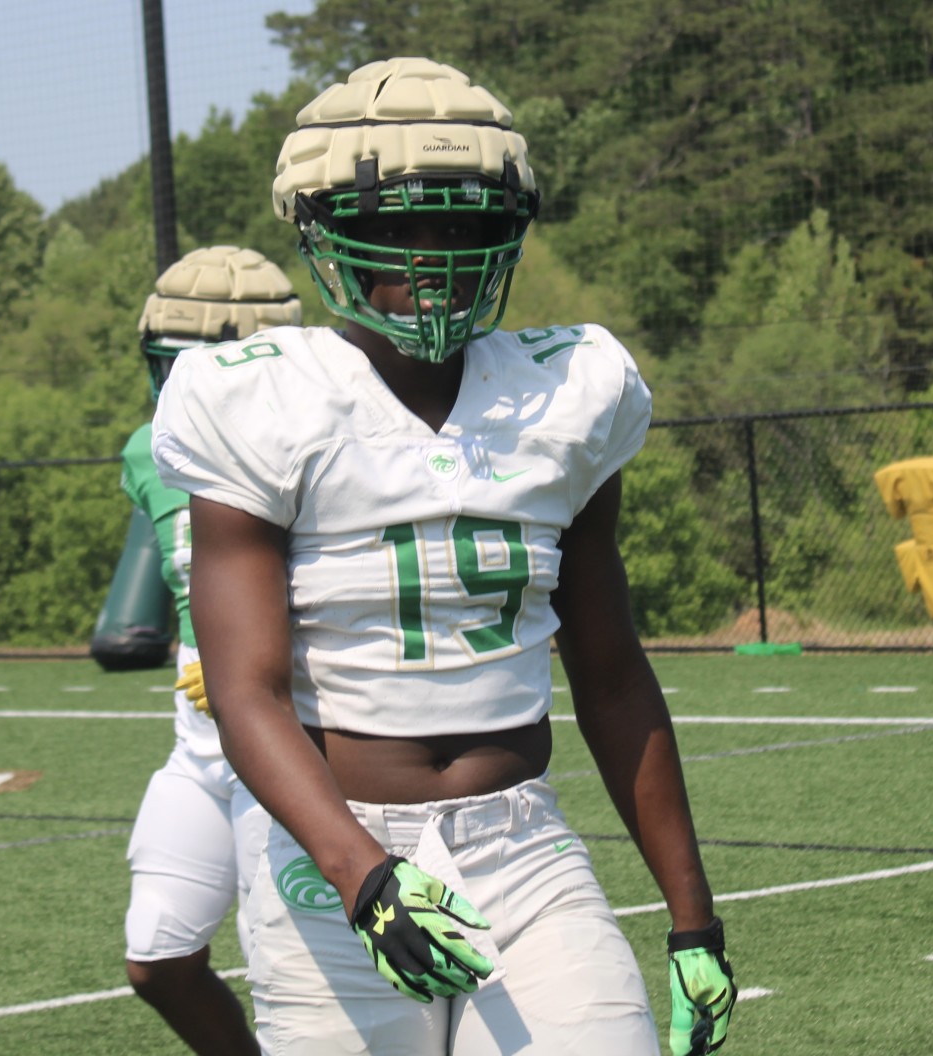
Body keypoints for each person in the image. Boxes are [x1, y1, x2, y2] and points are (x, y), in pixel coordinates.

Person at [153, 57, 736, 1056]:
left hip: (524, 842)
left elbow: (611, 673)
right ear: (323, 228)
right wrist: (364, 877)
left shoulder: (569, 391)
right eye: (397, 226)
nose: (433, 258)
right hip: (334, 848)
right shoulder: (256, 399)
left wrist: (694, 918)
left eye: (462, 227)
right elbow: (246, 692)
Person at [121, 245, 302, 1055]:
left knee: (293, 977)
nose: (178, 390)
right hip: (199, 742)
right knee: (158, 958)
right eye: (166, 367)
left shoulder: (312, 440)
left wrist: (265, 668)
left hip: (293, 735)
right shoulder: (147, 451)